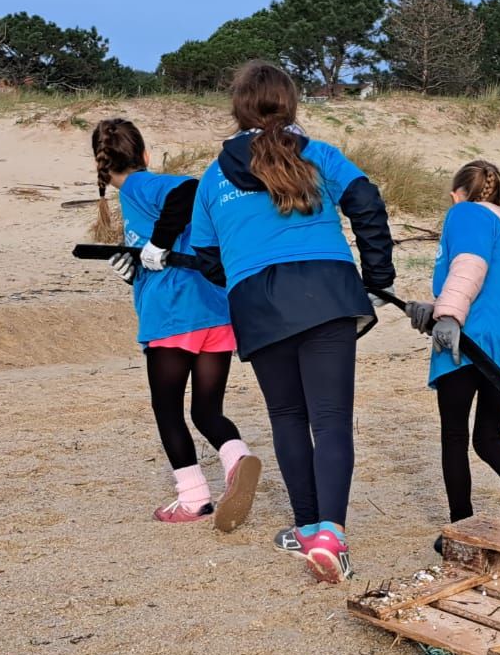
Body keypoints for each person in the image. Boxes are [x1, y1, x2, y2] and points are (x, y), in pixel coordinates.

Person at [188, 62, 396, 582]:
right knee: (330, 418)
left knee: (286, 415)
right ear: (291, 103)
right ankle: (331, 534)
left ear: (238, 107)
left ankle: (306, 527)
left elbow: (205, 256)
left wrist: (242, 274)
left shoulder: (214, 177)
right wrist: (376, 274)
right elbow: (366, 202)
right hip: (327, 289)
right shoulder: (320, 155)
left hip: (258, 299)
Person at [91, 118, 260, 529]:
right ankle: (237, 458)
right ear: (145, 152)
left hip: (172, 317)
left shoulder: (138, 186)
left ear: (100, 165)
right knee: (206, 409)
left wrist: (156, 243)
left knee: (167, 410)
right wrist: (135, 268)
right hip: (214, 314)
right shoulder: (139, 198)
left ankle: (193, 497)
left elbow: (187, 191)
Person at [405, 160, 500, 550]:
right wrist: (432, 309)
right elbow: (489, 285)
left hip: (471, 337)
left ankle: (462, 528)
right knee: (487, 436)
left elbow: (469, 266)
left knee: (454, 434)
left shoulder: (465, 214)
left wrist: (446, 316)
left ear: (457, 193)